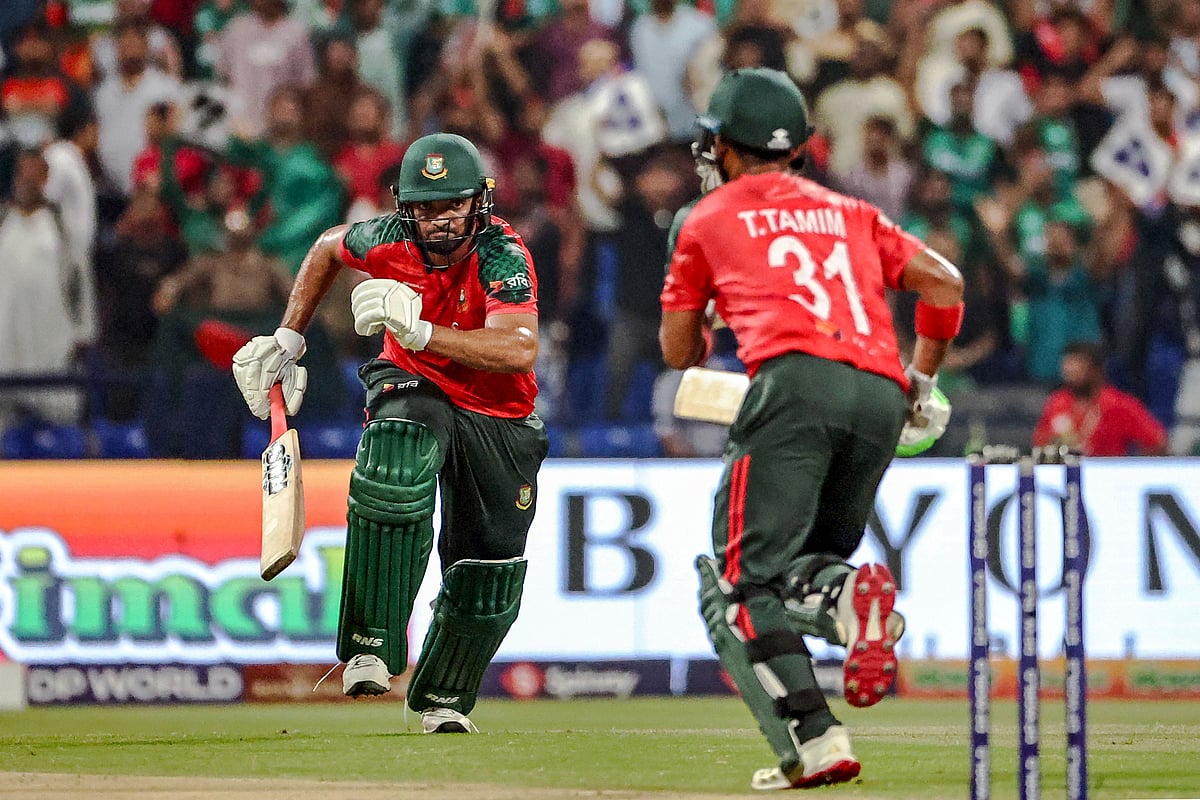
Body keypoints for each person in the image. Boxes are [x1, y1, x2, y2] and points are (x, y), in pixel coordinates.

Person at [659, 68, 965, 790]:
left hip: (795, 384)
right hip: (882, 396)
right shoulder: (851, 212)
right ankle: (845, 622)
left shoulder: (705, 219)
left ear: (726, 147)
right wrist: (922, 379)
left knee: (736, 587)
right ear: (797, 147)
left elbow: (678, 354)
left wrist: (706, 313)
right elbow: (945, 283)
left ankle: (816, 734)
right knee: (798, 572)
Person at [232, 132, 548, 734]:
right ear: (406, 208)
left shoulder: (503, 253)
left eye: (452, 205)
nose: (439, 221)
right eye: (425, 208)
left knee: (490, 572)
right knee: (395, 461)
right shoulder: (388, 237)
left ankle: (442, 698)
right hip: (414, 384)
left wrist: (423, 330)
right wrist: (288, 339)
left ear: (478, 202)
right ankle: (371, 643)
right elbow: (326, 249)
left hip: (498, 413)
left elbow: (518, 348)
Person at [1032, 341, 1167, 456]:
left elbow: (1157, 441)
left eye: (1077, 366)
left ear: (1096, 370)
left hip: (1109, 478)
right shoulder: (1058, 402)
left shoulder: (1118, 404)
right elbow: (1039, 442)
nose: (1069, 372)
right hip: (1068, 475)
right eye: (1067, 367)